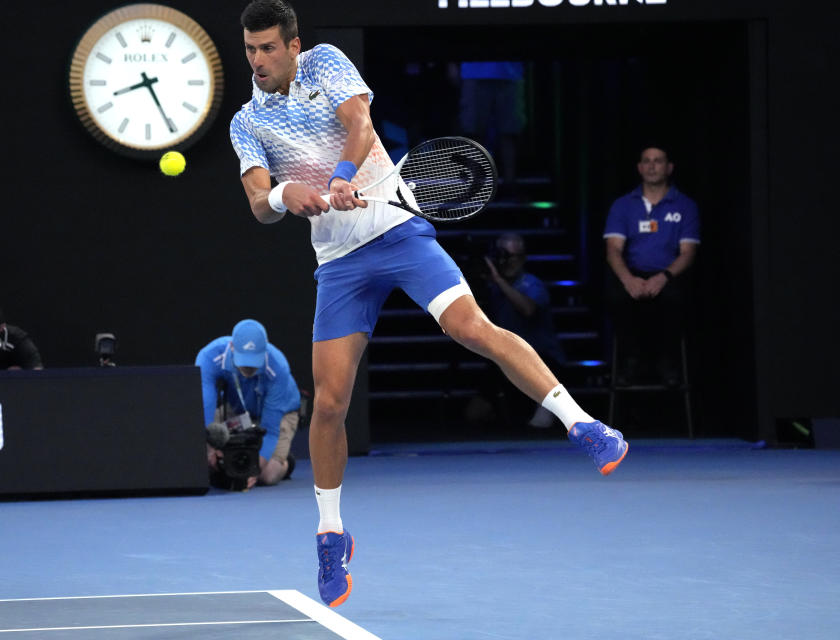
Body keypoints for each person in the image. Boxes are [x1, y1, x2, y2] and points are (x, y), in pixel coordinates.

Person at [230, 0, 628, 608]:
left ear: (293, 45)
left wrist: (339, 176)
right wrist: (289, 192)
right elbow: (258, 202)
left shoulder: (326, 65)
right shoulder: (248, 121)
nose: (258, 60)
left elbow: (360, 127)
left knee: (472, 328)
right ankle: (331, 533)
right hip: (339, 263)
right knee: (330, 402)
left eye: (268, 48)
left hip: (396, 232)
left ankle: (584, 424)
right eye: (250, 49)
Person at [603, 146, 700, 385]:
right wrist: (628, 280)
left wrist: (663, 277)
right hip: (632, 272)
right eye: (647, 161)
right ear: (639, 168)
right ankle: (630, 363)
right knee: (616, 297)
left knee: (675, 299)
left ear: (669, 167)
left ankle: (667, 363)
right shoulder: (623, 205)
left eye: (658, 161)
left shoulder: (685, 206)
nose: (652, 165)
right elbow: (613, 250)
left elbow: (688, 253)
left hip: (668, 274)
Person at [195, 319, 301, 491]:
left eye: (254, 360)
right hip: (237, 409)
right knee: (208, 460)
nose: (249, 367)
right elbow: (204, 413)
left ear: (265, 350)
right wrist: (209, 449)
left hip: (282, 412)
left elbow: (271, 429)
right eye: (244, 360)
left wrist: (254, 470)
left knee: (267, 475)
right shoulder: (209, 356)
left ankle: (287, 462)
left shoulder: (278, 366)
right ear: (231, 347)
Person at [482, 232, 565, 428]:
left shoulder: (532, 284)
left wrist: (499, 282)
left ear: (523, 258)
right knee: (475, 413)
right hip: (505, 360)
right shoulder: (489, 286)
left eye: (515, 257)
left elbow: (528, 309)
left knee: (538, 424)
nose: (510, 262)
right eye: (505, 256)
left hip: (541, 360)